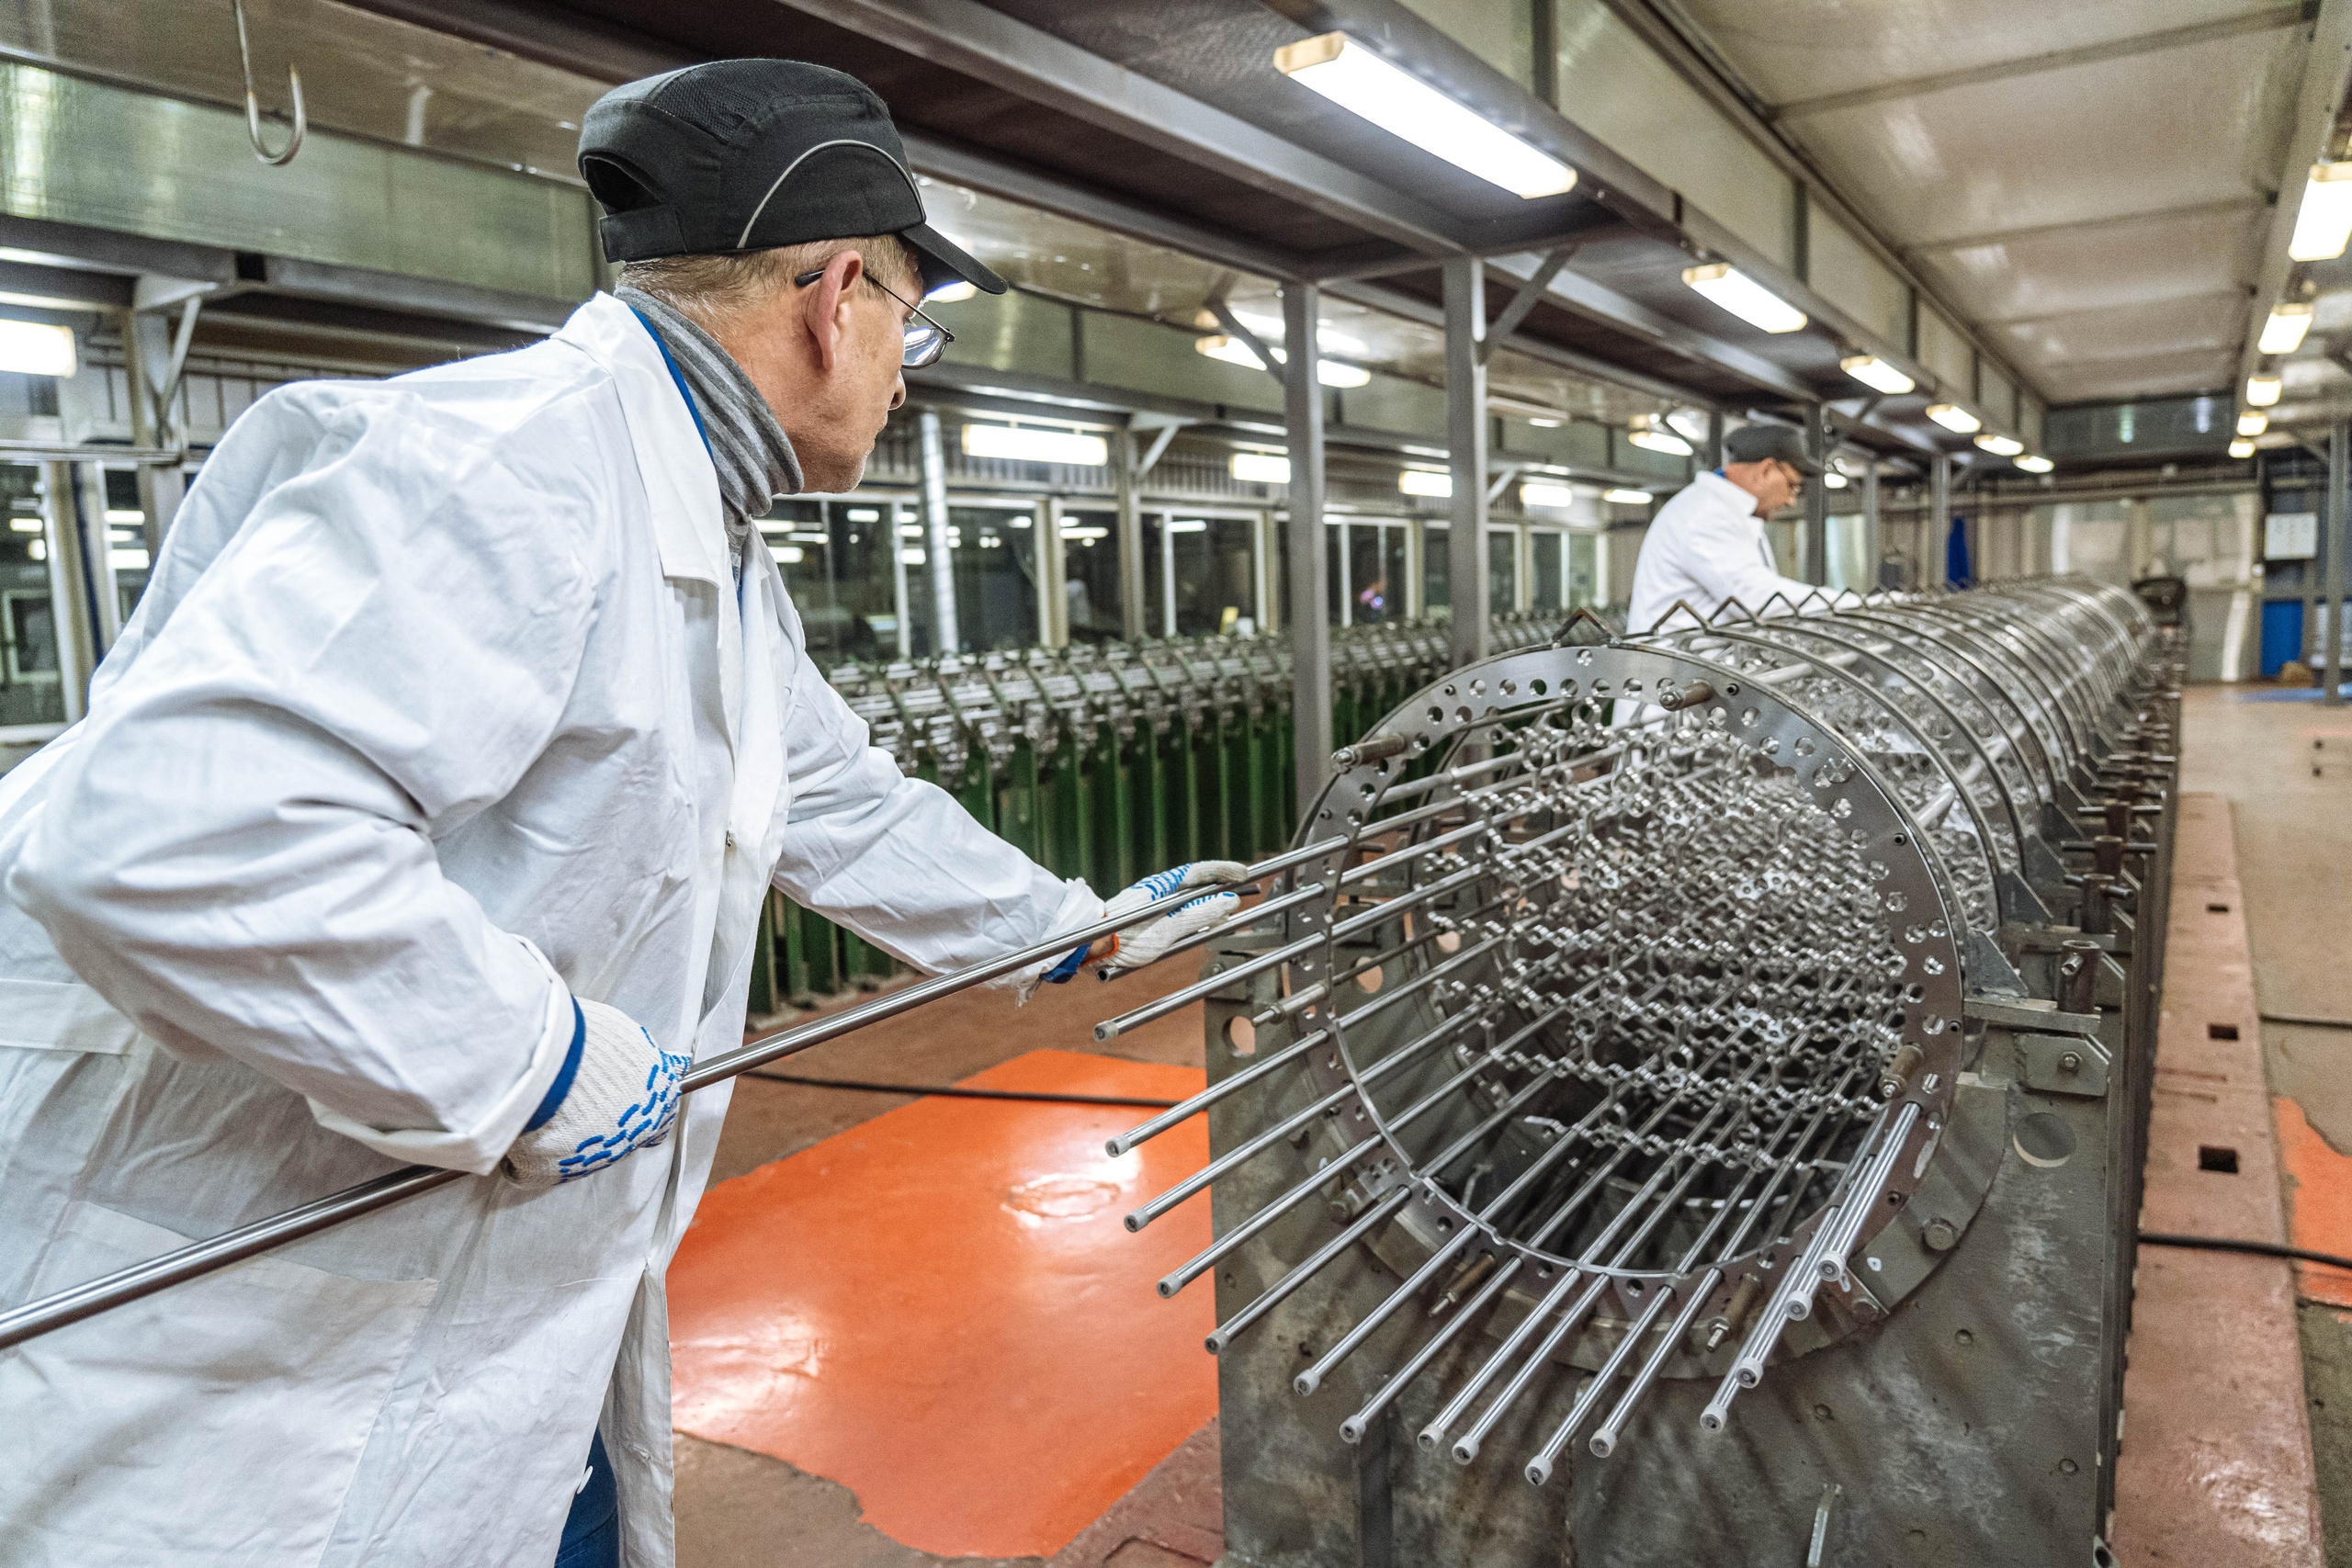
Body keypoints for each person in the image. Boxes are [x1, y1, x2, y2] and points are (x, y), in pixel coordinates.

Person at [0, 60, 1240, 1568]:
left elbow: (832, 798)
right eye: (911, 325)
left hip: (501, 1315)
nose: (907, 373)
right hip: (253, 1366)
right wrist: (538, 1061)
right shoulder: (516, 467)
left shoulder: (702, 536)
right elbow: (168, 837)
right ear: (835, 296)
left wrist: (1075, 928)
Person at [1626, 422, 1824, 632]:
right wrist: (1845, 603)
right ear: (1766, 470)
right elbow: (1756, 596)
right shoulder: (1706, 515)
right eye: (1792, 486)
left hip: (1699, 649)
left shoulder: (1732, 513)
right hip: (1673, 652)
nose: (1790, 501)